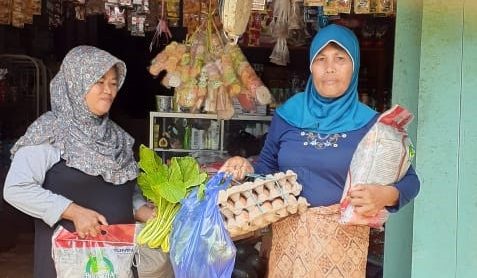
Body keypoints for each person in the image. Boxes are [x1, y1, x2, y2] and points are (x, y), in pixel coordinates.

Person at [220, 24, 420, 277]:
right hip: (288, 248)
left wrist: (385, 195)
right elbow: (265, 172)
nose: (329, 68)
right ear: (311, 66)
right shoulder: (288, 114)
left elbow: (411, 181)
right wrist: (245, 166)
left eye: (340, 59)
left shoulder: (372, 125)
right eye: (321, 59)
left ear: (354, 66)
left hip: (342, 250)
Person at [3, 45, 155, 278]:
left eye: (113, 83)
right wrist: (73, 212)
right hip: (67, 264)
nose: (108, 90)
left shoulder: (116, 137)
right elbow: (16, 188)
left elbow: (124, 187)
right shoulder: (51, 132)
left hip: (117, 260)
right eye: (99, 81)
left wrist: (143, 210)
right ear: (76, 83)